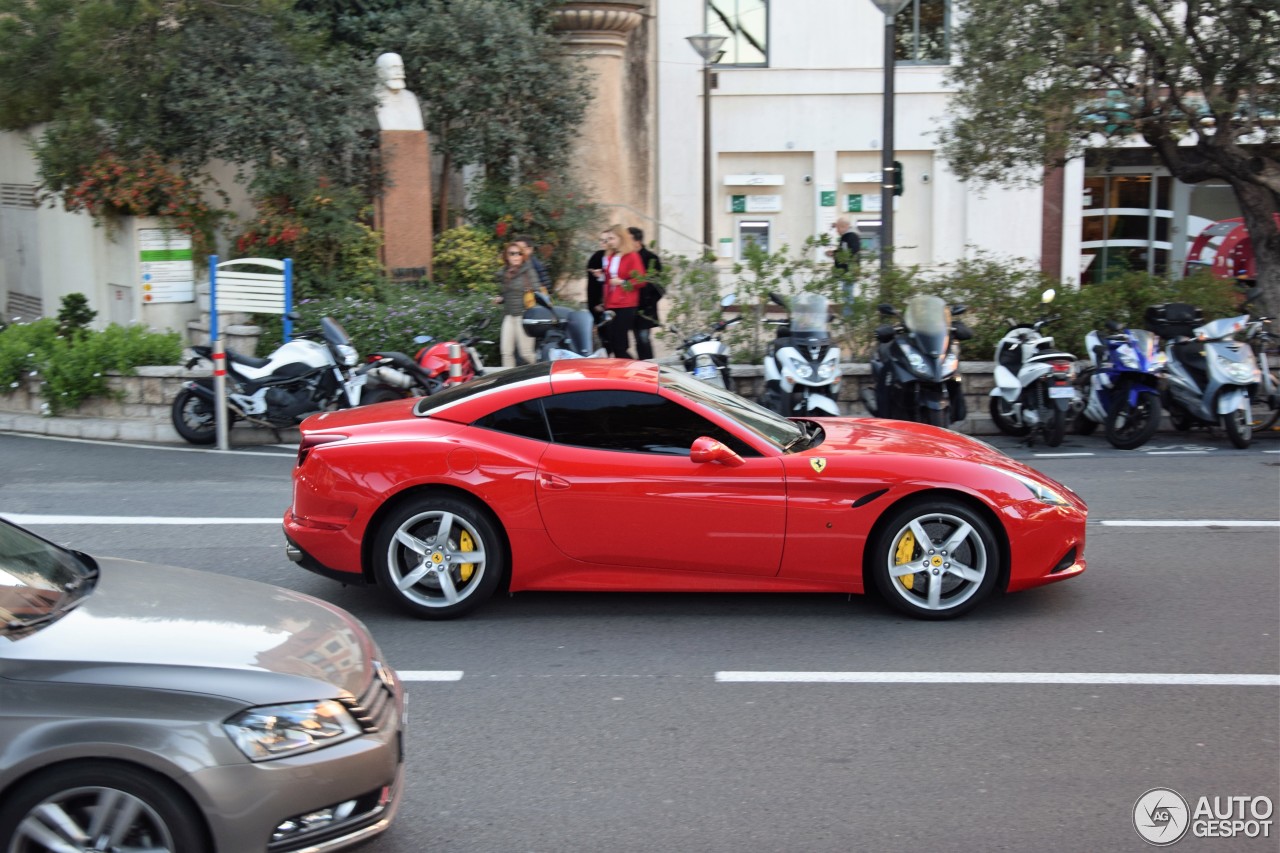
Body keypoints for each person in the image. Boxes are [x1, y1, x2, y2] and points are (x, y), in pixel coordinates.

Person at [598, 224, 647, 359]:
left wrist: (623, 283)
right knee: (613, 343)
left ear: (621, 238)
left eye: (612, 238)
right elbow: (608, 280)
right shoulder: (610, 256)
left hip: (626, 305)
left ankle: (633, 371)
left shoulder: (632, 256)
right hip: (611, 304)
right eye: (607, 239)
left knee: (620, 345)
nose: (609, 241)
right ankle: (626, 371)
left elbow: (641, 280)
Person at [494, 242, 539, 367]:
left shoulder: (528, 271)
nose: (515, 256)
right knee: (506, 352)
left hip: (524, 316)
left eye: (519, 253)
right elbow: (504, 293)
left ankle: (544, 371)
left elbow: (537, 291)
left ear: (523, 255)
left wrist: (529, 291)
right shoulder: (504, 273)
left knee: (526, 353)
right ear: (506, 256)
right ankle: (508, 382)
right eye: (512, 253)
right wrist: (500, 298)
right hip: (509, 315)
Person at [628, 226, 663, 360]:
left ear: (637, 241)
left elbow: (659, 286)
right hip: (629, 306)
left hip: (645, 307)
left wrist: (648, 301)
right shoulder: (626, 257)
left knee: (643, 338)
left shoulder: (651, 258)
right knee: (634, 339)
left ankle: (649, 365)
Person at [373, 52, 425, 132]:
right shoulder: (373, 97)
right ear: (380, 73)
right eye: (393, 68)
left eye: (401, 68)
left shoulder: (410, 97)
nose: (399, 73)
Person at [585, 229, 615, 355]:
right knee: (603, 338)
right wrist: (594, 304)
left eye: (606, 240)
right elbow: (591, 286)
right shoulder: (596, 257)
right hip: (599, 303)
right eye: (601, 240)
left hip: (615, 303)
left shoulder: (617, 257)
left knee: (615, 339)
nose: (603, 243)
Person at [826, 216, 861, 317]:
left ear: (844, 227)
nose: (837, 231)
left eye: (838, 228)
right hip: (848, 272)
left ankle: (848, 318)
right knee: (847, 296)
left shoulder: (850, 236)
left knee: (847, 297)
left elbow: (850, 253)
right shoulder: (848, 236)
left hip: (849, 272)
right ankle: (848, 317)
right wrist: (834, 253)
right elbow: (845, 252)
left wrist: (835, 254)